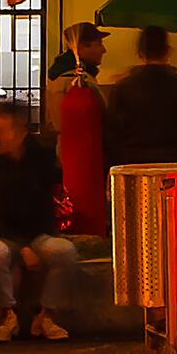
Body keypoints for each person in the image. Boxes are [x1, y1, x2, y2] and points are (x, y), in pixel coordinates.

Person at [0, 102, 79, 342]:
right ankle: (8, 314)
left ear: (20, 132)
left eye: (0, 131)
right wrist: (23, 247)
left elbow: (45, 206)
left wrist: (36, 240)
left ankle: (46, 314)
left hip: (37, 234)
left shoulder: (41, 159)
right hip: (2, 235)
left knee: (65, 251)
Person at [104, 26, 177, 171]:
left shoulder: (122, 88)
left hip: (133, 164)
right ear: (168, 50)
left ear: (140, 52)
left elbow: (112, 135)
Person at [48, 33, 110, 229]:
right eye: (98, 44)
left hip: (69, 150)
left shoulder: (60, 79)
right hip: (83, 153)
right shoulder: (79, 82)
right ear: (82, 48)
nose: (103, 50)